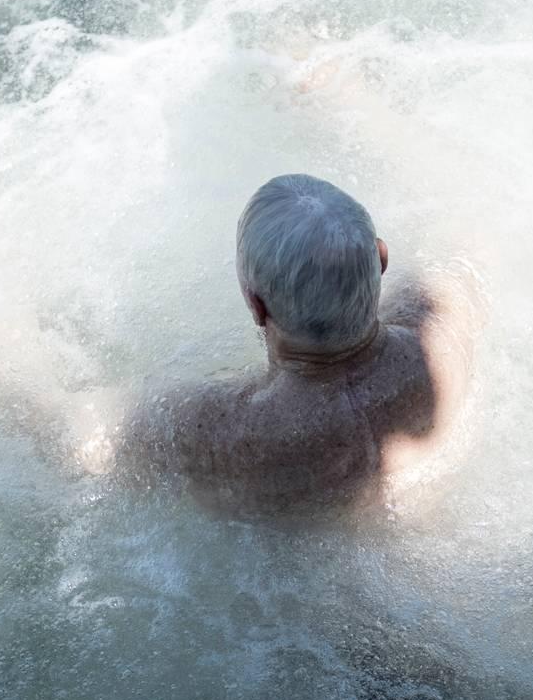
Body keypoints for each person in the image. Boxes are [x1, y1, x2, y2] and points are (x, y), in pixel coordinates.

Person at [113, 173, 486, 514]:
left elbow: (88, 442)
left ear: (256, 306)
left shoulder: (225, 435)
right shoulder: (445, 336)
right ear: (381, 257)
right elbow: (475, 228)